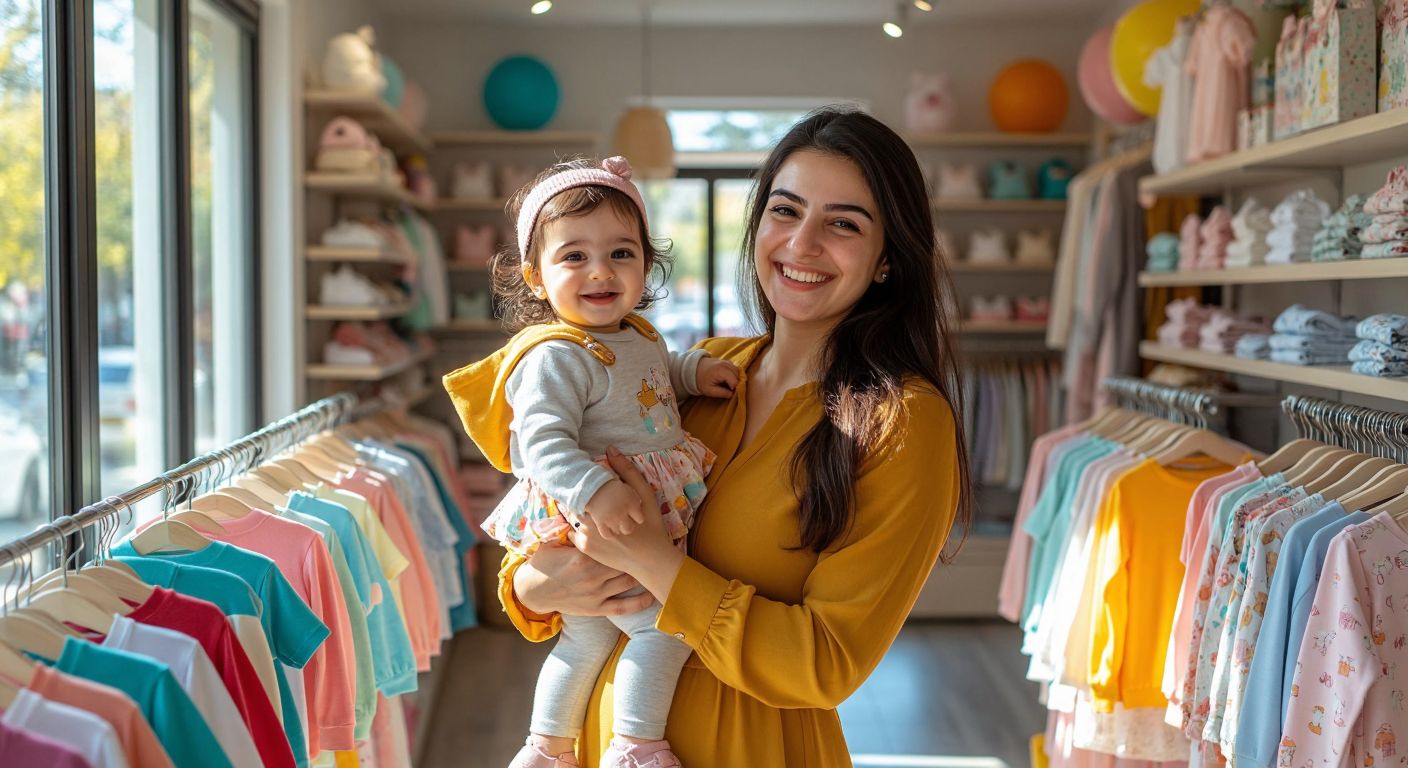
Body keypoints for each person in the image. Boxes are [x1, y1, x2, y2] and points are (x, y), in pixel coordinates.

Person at [496, 107, 973, 767]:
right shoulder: (705, 373)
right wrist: (531, 586)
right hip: (602, 740)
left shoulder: (904, 421)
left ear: (888, 257)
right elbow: (558, 499)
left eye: (842, 223)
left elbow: (826, 662)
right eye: (785, 211)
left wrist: (655, 563)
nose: (802, 245)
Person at [443, 156, 741, 768]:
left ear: (646, 263)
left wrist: (694, 371)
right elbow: (544, 444)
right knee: (662, 630)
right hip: (599, 519)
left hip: (623, 513)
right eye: (574, 256)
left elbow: (653, 376)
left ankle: (545, 751)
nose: (600, 271)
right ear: (534, 276)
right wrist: (595, 490)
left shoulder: (637, 333)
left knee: (587, 639)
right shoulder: (554, 357)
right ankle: (634, 746)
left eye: (621, 254)